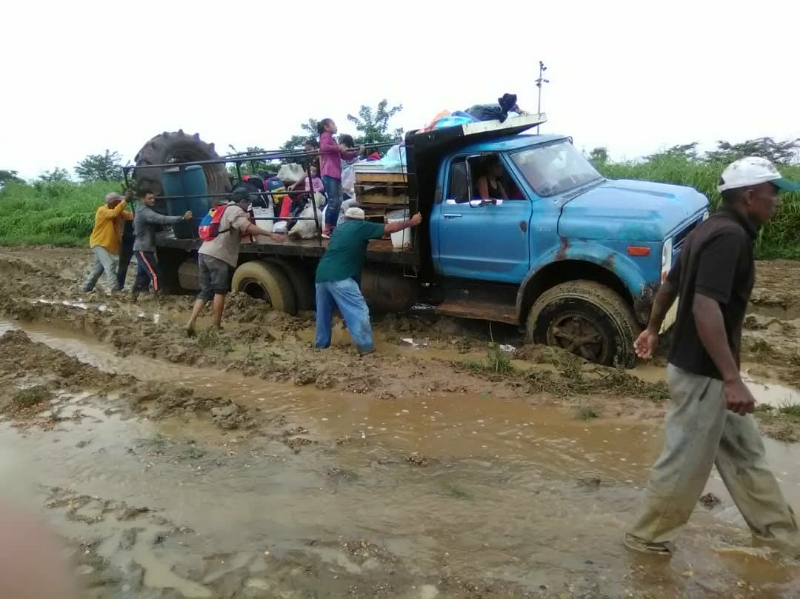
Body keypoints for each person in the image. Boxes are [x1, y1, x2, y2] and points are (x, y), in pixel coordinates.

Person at [625, 156, 800, 558]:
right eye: (773, 192)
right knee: (684, 463)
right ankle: (645, 542)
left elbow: (669, 285)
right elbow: (705, 306)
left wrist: (652, 330)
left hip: (704, 372)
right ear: (749, 195)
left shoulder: (709, 230)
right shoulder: (729, 239)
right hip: (703, 374)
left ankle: (780, 539)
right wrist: (732, 378)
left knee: (745, 455)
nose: (777, 201)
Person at [315, 207, 422, 355]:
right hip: (341, 276)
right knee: (359, 311)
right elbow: (389, 228)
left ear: (346, 218)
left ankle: (321, 346)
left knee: (323, 314)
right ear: (361, 219)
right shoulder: (361, 226)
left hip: (321, 276)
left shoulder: (339, 230)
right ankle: (366, 348)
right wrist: (412, 222)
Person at [187, 189, 284, 335]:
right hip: (217, 256)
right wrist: (270, 234)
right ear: (242, 202)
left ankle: (191, 321)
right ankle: (216, 326)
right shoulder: (235, 211)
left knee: (205, 291)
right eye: (248, 202)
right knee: (220, 291)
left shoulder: (223, 208)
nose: (249, 205)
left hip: (204, 252)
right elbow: (247, 227)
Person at [131, 188, 193, 300]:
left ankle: (133, 297)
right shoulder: (144, 212)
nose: (153, 200)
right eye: (149, 198)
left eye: (153, 197)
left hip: (143, 247)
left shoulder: (141, 209)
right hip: (143, 248)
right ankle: (158, 297)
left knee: (142, 275)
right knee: (155, 274)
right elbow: (161, 219)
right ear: (142, 199)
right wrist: (182, 218)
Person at [318, 119, 363, 239]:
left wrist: (356, 153)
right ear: (326, 127)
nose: (336, 126)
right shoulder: (325, 136)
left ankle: (332, 228)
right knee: (334, 201)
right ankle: (327, 230)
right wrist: (339, 148)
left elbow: (344, 155)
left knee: (338, 201)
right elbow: (324, 147)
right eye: (333, 124)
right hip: (329, 173)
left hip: (335, 174)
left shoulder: (332, 140)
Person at [83, 190, 134, 293]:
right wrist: (125, 201)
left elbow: (130, 216)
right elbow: (113, 214)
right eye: (118, 201)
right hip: (99, 243)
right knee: (110, 264)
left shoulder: (118, 212)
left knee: (98, 270)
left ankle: (87, 287)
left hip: (107, 245)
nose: (120, 202)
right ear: (112, 203)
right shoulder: (102, 210)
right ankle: (115, 288)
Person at [117, 217, 135, 290]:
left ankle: (119, 286)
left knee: (122, 266)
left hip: (127, 240)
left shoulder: (128, 217)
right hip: (130, 241)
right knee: (143, 265)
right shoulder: (129, 216)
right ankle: (141, 286)